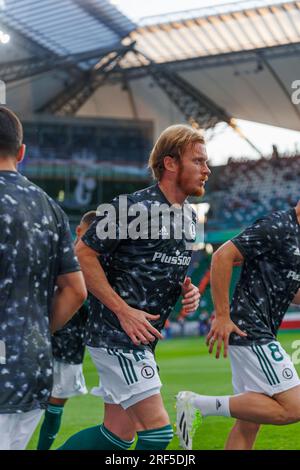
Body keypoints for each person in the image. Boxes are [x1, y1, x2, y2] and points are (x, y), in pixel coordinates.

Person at [57, 123, 210, 450]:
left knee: (115, 437)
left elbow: (160, 266)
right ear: (170, 163)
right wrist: (123, 310)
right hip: (117, 336)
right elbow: (83, 253)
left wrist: (187, 289)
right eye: (198, 161)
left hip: (141, 340)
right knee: (158, 435)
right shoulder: (130, 207)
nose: (206, 170)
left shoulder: (187, 217)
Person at [176, 202, 300, 450]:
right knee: (294, 406)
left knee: (248, 423)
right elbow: (223, 255)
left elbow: (290, 288)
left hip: (259, 328)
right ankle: (197, 404)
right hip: (250, 328)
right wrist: (222, 316)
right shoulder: (277, 226)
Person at [0, 106, 87, 450]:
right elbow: (75, 291)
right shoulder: (50, 206)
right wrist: (34, 332)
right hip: (33, 367)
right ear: (21, 152)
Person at [37, 211, 97, 450]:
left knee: (54, 408)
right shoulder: (56, 256)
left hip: (69, 347)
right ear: (79, 231)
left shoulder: (97, 264)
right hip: (43, 339)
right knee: (18, 405)